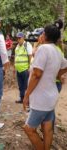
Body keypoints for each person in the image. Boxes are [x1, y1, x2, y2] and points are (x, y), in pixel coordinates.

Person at [23, 21, 67, 150]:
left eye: (42, 33)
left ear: (45, 35)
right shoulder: (58, 51)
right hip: (51, 97)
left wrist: (26, 95)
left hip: (41, 98)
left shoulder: (43, 49)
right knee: (47, 128)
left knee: (29, 129)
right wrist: (58, 74)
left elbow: (37, 74)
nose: (40, 35)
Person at [14, 32, 32, 103]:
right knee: (20, 86)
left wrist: (29, 67)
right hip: (18, 69)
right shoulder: (17, 46)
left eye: (19, 38)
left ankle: (28, 100)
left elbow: (30, 57)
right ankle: (22, 98)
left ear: (23, 38)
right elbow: (16, 57)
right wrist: (14, 67)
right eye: (17, 38)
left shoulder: (27, 45)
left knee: (27, 86)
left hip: (25, 69)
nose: (18, 40)